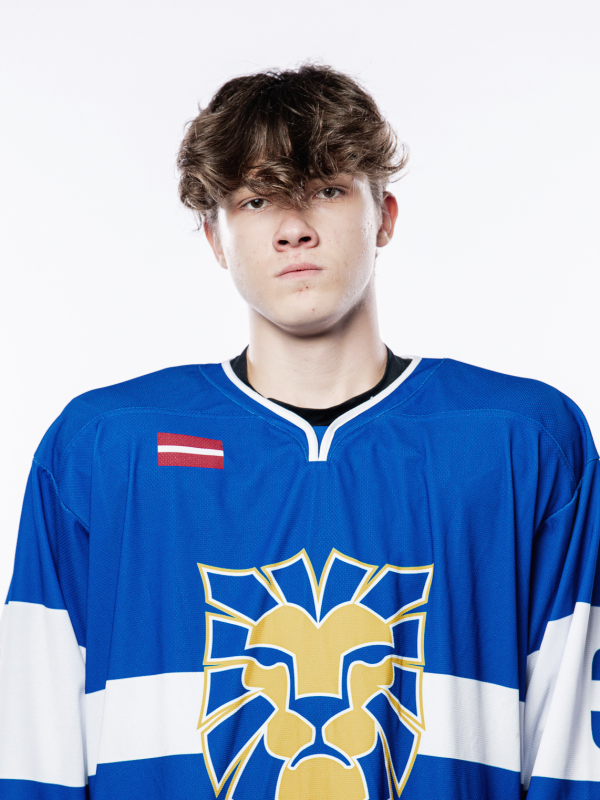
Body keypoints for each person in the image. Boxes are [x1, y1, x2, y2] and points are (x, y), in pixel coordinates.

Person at [0, 64, 598, 800]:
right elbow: (33, 756)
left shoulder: (522, 441)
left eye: (328, 190)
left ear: (385, 216)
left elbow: (578, 759)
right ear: (216, 237)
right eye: (256, 200)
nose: (293, 228)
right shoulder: (102, 448)